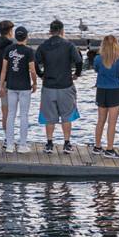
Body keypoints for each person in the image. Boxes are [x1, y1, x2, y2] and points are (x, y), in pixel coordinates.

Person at [35, 19, 83, 154]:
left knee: (49, 117)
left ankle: (49, 144)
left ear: (50, 31)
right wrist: (76, 74)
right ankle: (67, 144)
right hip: (65, 86)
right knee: (67, 115)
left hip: (49, 86)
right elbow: (79, 61)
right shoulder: (69, 45)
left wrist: (41, 75)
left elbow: (35, 62)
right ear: (62, 31)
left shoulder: (43, 46)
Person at [92, 35, 119, 158]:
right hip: (115, 91)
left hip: (101, 90)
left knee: (100, 120)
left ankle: (97, 147)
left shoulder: (98, 58)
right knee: (112, 123)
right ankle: (109, 150)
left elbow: (96, 69)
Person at [0, 26, 37, 153]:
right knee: (24, 115)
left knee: (11, 114)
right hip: (24, 87)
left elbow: (4, 70)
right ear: (26, 37)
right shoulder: (29, 51)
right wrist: (35, 83)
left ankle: (10, 145)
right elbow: (32, 70)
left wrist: (1, 86)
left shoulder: (8, 49)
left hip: (11, 86)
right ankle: (22, 145)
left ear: (15, 36)